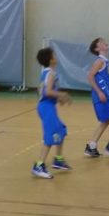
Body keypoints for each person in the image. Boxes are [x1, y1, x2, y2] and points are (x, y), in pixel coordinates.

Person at [31, 47, 72, 179]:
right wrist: (62, 95)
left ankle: (58, 160)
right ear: (50, 59)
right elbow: (47, 92)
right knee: (50, 136)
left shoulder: (46, 72)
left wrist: (58, 99)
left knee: (61, 130)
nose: (56, 56)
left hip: (47, 106)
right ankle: (39, 165)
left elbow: (44, 91)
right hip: (46, 107)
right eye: (53, 54)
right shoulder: (51, 73)